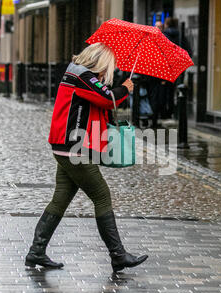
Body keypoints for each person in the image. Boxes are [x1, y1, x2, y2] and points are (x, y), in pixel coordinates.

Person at [25, 43, 148, 273]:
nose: (106, 73)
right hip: (74, 147)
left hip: (65, 145)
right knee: (102, 195)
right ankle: (118, 255)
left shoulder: (77, 73)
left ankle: (36, 251)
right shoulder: (83, 75)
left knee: (61, 198)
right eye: (107, 68)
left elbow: (97, 101)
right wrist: (126, 88)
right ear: (99, 61)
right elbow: (107, 98)